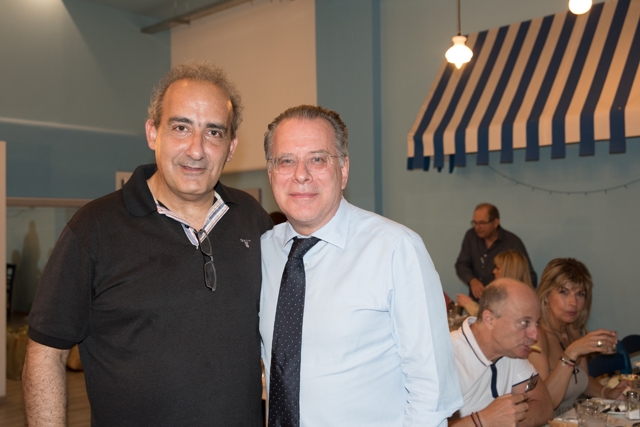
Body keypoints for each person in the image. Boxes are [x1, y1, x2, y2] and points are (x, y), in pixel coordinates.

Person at [22, 62, 273, 426]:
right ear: (153, 133)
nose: (197, 149)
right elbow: (46, 352)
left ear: (231, 146)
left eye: (214, 132)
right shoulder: (93, 229)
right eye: (181, 127)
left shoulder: (252, 219)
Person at [260, 105, 462, 426]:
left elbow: (433, 391)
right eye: (286, 161)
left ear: (343, 170)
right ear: (271, 173)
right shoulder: (263, 252)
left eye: (318, 159)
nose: (301, 174)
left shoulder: (395, 249)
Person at [527, 258, 627, 416]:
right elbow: (544, 404)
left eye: (580, 294)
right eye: (564, 292)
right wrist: (571, 353)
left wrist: (608, 393)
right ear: (546, 295)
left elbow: (583, 380)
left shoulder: (572, 329)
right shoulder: (537, 339)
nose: (573, 302)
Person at [449, 278, 554, 427]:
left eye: (536, 323)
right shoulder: (446, 356)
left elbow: (544, 406)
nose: (535, 335)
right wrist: (482, 421)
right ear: (489, 319)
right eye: (524, 322)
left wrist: (505, 422)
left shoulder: (512, 351)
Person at [455, 203, 537, 300]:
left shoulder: (512, 242)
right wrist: (472, 280)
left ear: (495, 222)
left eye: (482, 223)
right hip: (477, 300)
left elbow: (530, 277)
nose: (477, 227)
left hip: (503, 301)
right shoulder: (471, 236)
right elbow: (461, 264)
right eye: (475, 223)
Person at [457, 249, 533, 316]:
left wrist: (469, 305)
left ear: (509, 271)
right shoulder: (527, 296)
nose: (494, 271)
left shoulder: (514, 299)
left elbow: (493, 322)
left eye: (497, 268)